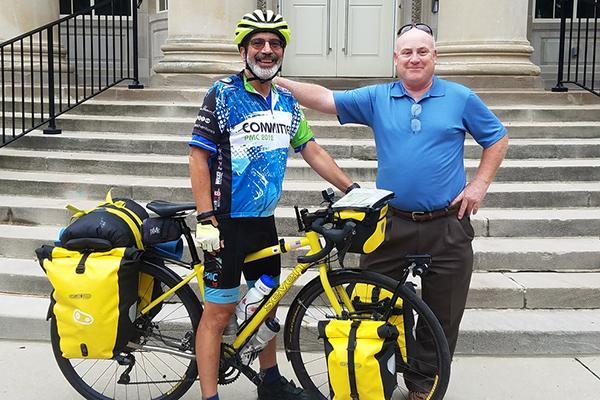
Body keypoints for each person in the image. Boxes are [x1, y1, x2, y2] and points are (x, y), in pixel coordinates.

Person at [276, 22, 509, 400]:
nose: (414, 58)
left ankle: (422, 380)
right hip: (391, 223)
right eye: (407, 52)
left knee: (443, 313)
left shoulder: (461, 98)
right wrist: (275, 79)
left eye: (423, 51)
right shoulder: (378, 97)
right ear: (395, 59)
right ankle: (372, 377)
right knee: (370, 301)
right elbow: (323, 99)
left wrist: (479, 184)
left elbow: (497, 137)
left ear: (434, 56)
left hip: (448, 225)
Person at [188, 9, 355, 400]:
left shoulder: (287, 102)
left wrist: (352, 188)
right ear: (244, 50)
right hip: (224, 223)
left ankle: (271, 382)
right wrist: (206, 217)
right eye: (258, 43)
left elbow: (311, 149)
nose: (267, 50)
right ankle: (209, 396)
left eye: (274, 44)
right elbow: (198, 157)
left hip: (263, 221)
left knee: (265, 305)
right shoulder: (223, 94)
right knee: (218, 313)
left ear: (282, 52)